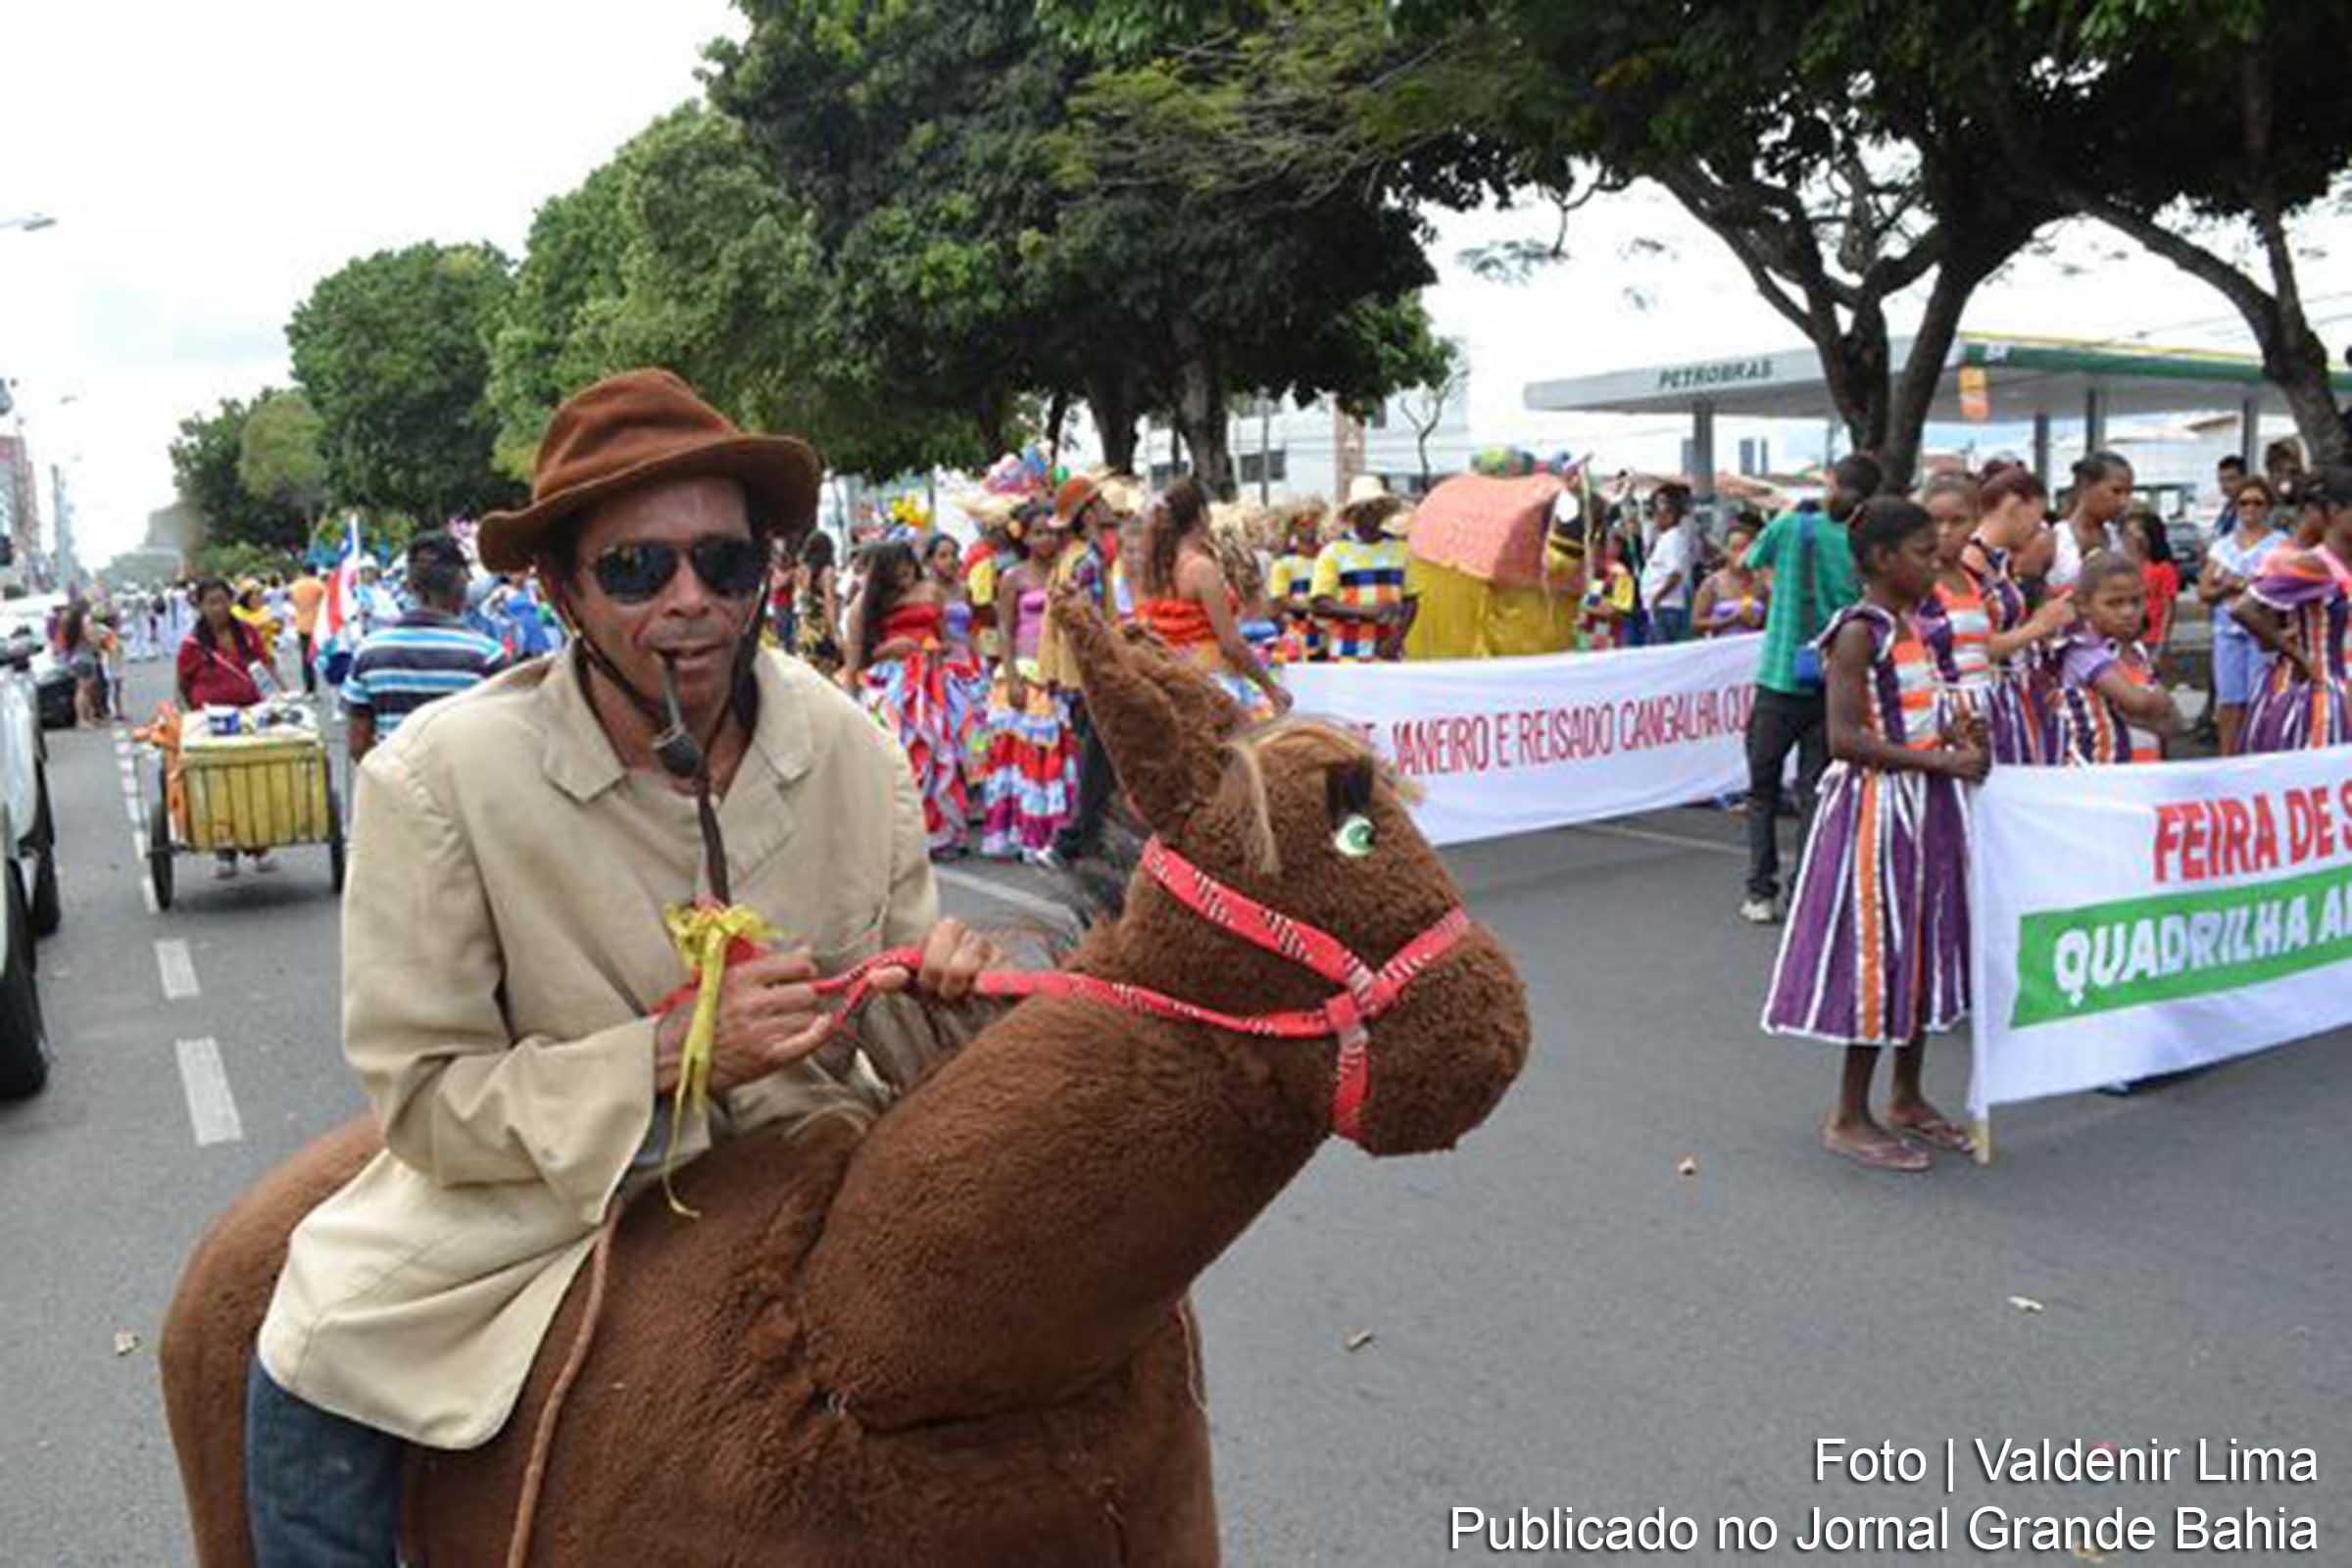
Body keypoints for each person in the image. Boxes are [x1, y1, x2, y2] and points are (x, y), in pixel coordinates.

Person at [243, 369, 998, 1564]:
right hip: (549, 1195)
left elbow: (895, 1031)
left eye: (725, 564)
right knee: (312, 1348)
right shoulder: (439, 781)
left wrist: (953, 1002)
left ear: (766, 573)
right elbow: (428, 1098)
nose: (691, 601)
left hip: (815, 1160)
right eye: (640, 570)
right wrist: (656, 1057)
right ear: (562, 590)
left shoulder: (857, 749)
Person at [1761, 497, 1985, 1172]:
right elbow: (1845, 737)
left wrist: (1959, 737)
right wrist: (1941, 760)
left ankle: (1908, 1095)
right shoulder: (1859, 631)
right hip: (1877, 813)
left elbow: (1916, 714)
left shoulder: (1916, 624)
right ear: (1884, 559)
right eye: (1923, 550)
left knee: (1919, 949)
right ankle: (1849, 1113)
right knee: (1879, 959)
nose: (1936, 557)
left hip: (1928, 807)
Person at [1737, 451, 1880, 924]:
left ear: (1833, 483)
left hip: (1780, 676)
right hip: (1833, 678)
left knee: (1762, 790)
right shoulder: (1862, 542)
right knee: (1816, 789)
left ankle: (1760, 890)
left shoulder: (1790, 528)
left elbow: (1749, 561)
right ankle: (1805, 890)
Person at [845, 539, 970, 858]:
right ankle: (900, 835)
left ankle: (938, 834)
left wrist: (933, 650)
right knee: (901, 758)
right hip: (890, 687)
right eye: (895, 568)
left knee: (937, 755)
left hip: (931, 684)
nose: (903, 573)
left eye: (907, 565)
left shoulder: (931, 591)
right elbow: (854, 659)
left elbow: (944, 640)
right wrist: (890, 649)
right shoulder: (866, 603)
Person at [1134, 476, 1291, 724]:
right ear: (1201, 514)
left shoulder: (1156, 570)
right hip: (1212, 684)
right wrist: (1271, 689)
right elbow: (1231, 643)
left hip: (1172, 683)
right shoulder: (1201, 568)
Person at [342, 531, 507, 764]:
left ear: (410, 587)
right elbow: (502, 741)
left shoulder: (369, 653)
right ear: (462, 584)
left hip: (391, 793)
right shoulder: (487, 656)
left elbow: (358, 744)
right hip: (465, 793)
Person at [2230, 464, 2352, 755]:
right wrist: (2298, 656)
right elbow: (2244, 609)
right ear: (2334, 511)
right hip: (2319, 693)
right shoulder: (2314, 565)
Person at [978, 504, 1078, 858]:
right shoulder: (1013, 577)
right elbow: (1003, 630)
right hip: (1022, 672)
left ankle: (1053, 834)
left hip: (1058, 674)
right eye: (1038, 532)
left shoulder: (1068, 574)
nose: (1047, 538)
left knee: (1054, 758)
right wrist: (1014, 677)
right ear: (1024, 537)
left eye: (1051, 531)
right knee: (1023, 760)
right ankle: (1024, 834)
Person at [1037, 474, 1124, 869]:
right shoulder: (1086, 559)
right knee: (1095, 762)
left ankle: (1087, 837)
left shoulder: (1070, 557)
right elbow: (1085, 623)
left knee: (1095, 758)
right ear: (1087, 513)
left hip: (1074, 673)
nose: (1107, 506)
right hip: (1090, 672)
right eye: (1099, 500)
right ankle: (1077, 841)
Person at [1960, 466, 2072, 764]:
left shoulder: (1998, 562)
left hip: (2014, 695)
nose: (2039, 530)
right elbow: (1974, 647)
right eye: (2036, 519)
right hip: (1991, 700)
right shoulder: (1972, 563)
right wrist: (2040, 626)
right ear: (2013, 506)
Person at [175, 578, 279, 879]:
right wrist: (190, 719)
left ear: (232, 600)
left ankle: (260, 845)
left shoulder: (247, 634)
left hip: (252, 716)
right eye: (211, 602)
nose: (218, 608)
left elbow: (267, 666)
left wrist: (281, 697)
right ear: (200, 606)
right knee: (219, 785)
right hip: (212, 723)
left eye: (223, 601)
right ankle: (225, 850)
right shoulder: (192, 645)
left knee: (256, 779)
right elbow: (183, 685)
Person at [2045, 551, 2182, 765]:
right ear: (2084, 605)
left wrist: (2154, 710)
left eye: (2136, 602)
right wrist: (2159, 703)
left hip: (2143, 771)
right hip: (2101, 773)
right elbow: (2136, 702)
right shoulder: (2083, 651)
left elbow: (2174, 724)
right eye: (2114, 603)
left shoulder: (2136, 652)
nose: (2128, 612)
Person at [2199, 474, 2283, 756]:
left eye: (2257, 503)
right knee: (2228, 700)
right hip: (2227, 632)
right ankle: (2227, 758)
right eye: (2244, 502)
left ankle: (2255, 756)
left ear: (2268, 507)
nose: (2250, 509)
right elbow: (2204, 590)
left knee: (2259, 699)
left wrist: (2239, 583)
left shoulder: (2280, 544)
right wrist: (2232, 585)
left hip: (2262, 634)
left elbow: (2283, 589)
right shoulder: (2223, 545)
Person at [1309, 475, 1414, 662]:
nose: (1372, 513)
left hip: (1388, 651)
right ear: (1353, 513)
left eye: (1376, 507)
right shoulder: (1334, 552)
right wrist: (1366, 611)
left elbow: (1410, 601)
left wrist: (1396, 639)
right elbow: (1320, 605)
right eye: (1365, 508)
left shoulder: (1401, 550)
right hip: (1347, 652)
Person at [2048, 451, 2132, 595]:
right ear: (2085, 486)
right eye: (2116, 491)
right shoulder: (2055, 539)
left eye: (2128, 493)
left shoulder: (2118, 539)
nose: (2123, 502)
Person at [1265, 501, 1324, 663]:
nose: (1310, 528)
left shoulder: (1327, 556)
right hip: (1299, 637)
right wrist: (1315, 606)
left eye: (1314, 522)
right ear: (1293, 528)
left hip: (1327, 636)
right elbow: (1279, 600)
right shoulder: (1284, 563)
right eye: (1304, 524)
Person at [1640, 483, 1698, 643]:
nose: (1654, 519)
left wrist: (1657, 598)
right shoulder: (1663, 539)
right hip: (1660, 608)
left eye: (1657, 514)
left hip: (1667, 607)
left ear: (1670, 515)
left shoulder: (1674, 538)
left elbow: (1675, 574)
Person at [1690, 514, 1767, 636]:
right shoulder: (1713, 583)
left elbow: (1771, 620)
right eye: (1734, 548)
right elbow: (1696, 624)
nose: (1739, 554)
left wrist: (1758, 621)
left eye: (1744, 549)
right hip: (1724, 648)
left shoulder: (1761, 583)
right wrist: (1730, 621)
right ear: (1726, 551)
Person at [2123, 505, 2181, 661]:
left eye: (2135, 532)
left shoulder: (2163, 568)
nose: (2130, 538)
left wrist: (2162, 643)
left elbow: (2168, 608)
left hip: (2152, 639)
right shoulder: (2123, 567)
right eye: (2127, 534)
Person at [791, 530, 843, 676]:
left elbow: (798, 597)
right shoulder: (827, 572)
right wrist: (835, 632)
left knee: (807, 673)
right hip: (821, 627)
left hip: (804, 626)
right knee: (825, 674)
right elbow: (829, 603)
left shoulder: (801, 569)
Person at [287, 565, 327, 695]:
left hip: (301, 624)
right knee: (325, 654)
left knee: (306, 658)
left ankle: (310, 688)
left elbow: (292, 602)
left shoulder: (294, 586)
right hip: (318, 624)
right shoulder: (319, 585)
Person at [60, 605, 100, 727]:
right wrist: (97, 640)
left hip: (80, 658)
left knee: (86, 690)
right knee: (83, 690)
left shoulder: (73, 626)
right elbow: (92, 640)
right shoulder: (83, 626)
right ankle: (82, 719)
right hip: (84, 658)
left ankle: (88, 717)